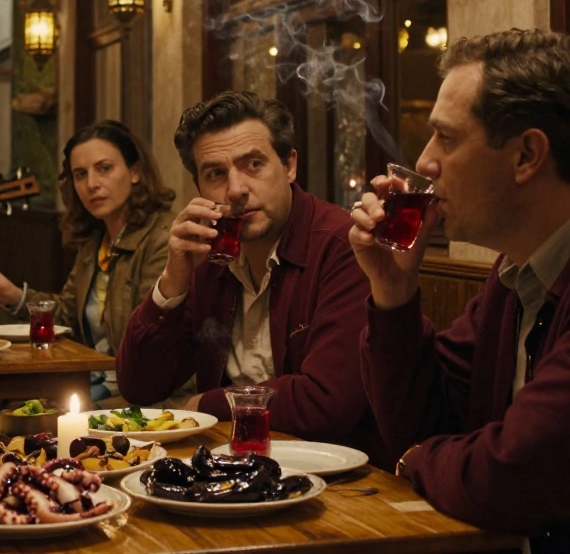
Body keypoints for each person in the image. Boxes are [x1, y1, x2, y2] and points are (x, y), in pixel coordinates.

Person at [349, 29, 570, 551]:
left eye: (445, 137)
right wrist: (393, 293)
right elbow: (424, 420)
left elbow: (511, 478)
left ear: (527, 155)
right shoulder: (520, 270)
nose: (423, 163)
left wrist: (416, 460)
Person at [115, 91, 385, 466]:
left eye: (253, 164)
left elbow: (328, 401)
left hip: (345, 479)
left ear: (289, 166)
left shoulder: (342, 246)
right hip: (233, 467)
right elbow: (138, 384)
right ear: (199, 187)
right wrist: (172, 280)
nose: (237, 189)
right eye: (215, 174)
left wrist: (205, 404)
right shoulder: (210, 257)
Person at [0, 120, 189, 406]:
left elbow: (151, 342)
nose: (91, 184)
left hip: (152, 397)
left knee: (34, 420)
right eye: (80, 174)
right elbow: (68, 317)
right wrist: (12, 295)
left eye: (104, 169)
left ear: (135, 172)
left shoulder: (163, 238)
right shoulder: (97, 240)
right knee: (8, 409)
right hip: (98, 382)